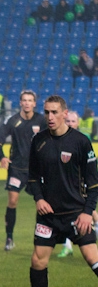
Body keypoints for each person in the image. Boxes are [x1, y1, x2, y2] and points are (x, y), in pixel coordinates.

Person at [15, 95, 98, 287]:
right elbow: (32, 177)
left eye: (54, 112)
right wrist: (38, 199)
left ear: (64, 113)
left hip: (75, 214)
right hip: (48, 216)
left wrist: (87, 212)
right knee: (37, 262)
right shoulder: (38, 141)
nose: (50, 117)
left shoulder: (81, 142)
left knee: (93, 260)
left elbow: (94, 184)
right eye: (47, 112)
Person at [0, 90, 47, 251]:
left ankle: (44, 236)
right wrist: (2, 157)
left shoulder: (42, 120)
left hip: (37, 169)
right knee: (12, 201)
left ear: (34, 103)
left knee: (43, 203)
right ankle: (9, 238)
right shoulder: (12, 121)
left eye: (30, 100)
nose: (27, 103)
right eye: (24, 100)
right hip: (16, 169)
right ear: (20, 103)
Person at [59, 110, 98, 257]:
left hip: (82, 182)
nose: (70, 124)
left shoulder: (84, 139)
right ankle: (67, 246)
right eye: (67, 121)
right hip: (67, 183)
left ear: (78, 123)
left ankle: (71, 245)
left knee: (88, 211)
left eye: (73, 121)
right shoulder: (59, 139)